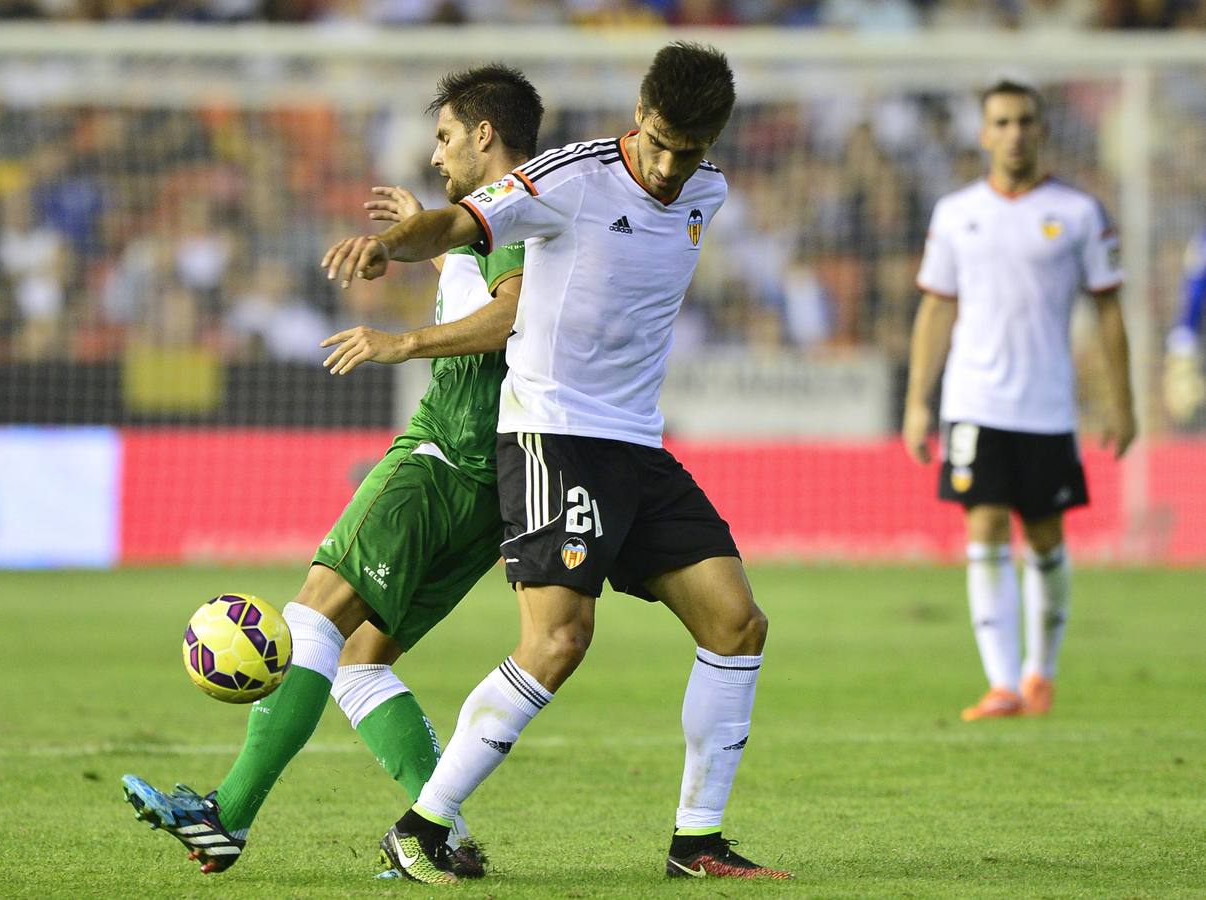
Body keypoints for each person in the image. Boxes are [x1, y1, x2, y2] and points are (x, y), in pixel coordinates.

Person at [323, 41, 791, 884]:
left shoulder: (707, 191)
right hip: (551, 433)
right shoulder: (569, 177)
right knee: (559, 640)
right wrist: (395, 244)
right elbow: (462, 221)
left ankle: (698, 841)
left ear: (712, 139)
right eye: (659, 143)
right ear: (639, 114)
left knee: (737, 624)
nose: (671, 165)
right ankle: (422, 827)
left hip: (637, 446)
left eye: (690, 151)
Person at [120, 63, 544, 878]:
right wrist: (422, 237)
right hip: (494, 480)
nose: (436, 154)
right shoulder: (511, 217)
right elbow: (490, 284)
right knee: (361, 661)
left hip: (444, 452)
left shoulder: (515, 213)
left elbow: (510, 315)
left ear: (486, 135)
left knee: (312, 615)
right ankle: (436, 837)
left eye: (447, 137)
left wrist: (404, 343)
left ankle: (227, 818)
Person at [902, 79, 1136, 723]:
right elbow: (935, 311)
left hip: (1047, 404)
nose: (1014, 133)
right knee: (982, 524)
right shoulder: (955, 213)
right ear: (983, 133)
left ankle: (1042, 673)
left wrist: (1123, 402)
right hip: (974, 401)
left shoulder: (1080, 213)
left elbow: (1108, 309)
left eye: (1025, 121)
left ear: (1042, 130)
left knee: (1045, 536)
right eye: (1001, 122)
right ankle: (1002, 683)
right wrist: (919, 402)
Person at [1162, 224, 1206, 424]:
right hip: (1197, 335)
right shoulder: (1203, 241)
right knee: (1187, 405)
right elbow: (1194, 294)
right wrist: (1184, 338)